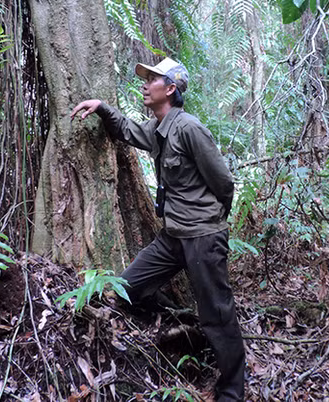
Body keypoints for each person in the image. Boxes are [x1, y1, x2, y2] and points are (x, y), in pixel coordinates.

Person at [70, 57, 246, 402]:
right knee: (127, 289)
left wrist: (212, 219)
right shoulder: (158, 128)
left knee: (217, 315)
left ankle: (232, 390)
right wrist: (103, 107)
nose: (144, 84)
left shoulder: (190, 128)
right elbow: (127, 131)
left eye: (152, 79)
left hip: (202, 237)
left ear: (170, 89)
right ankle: (180, 323)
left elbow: (223, 181)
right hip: (172, 237)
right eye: (145, 78)